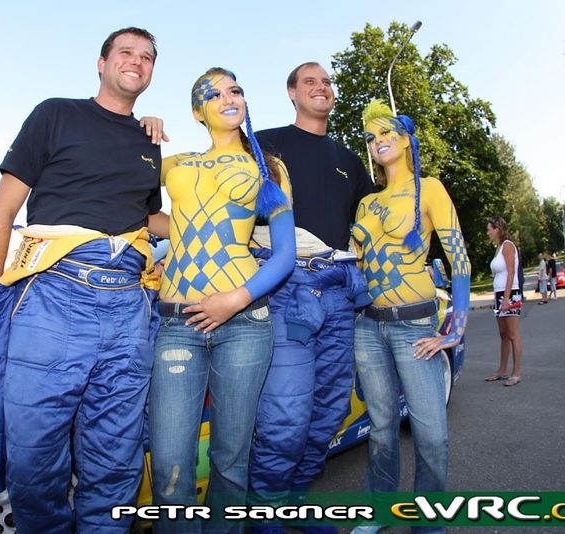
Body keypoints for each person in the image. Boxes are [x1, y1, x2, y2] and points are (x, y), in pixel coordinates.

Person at [0, 27, 167, 534]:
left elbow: (148, 219)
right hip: (54, 298)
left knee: (117, 459)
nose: (136, 62)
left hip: (128, 306)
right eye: (126, 52)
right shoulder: (54, 114)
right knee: (33, 461)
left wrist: (226, 223)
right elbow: (3, 213)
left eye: (147, 57)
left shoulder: (148, 142)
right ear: (102, 63)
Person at [148, 67, 296, 533]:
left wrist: (234, 300)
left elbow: (285, 254)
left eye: (234, 90)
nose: (227, 98)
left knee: (231, 459)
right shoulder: (176, 164)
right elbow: (126, 191)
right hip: (178, 324)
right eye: (212, 94)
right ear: (198, 111)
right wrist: (140, 131)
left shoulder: (268, 167)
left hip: (245, 323)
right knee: (170, 463)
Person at [245, 62, 373, 533]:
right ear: (292, 94)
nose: (321, 87)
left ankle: (293, 502)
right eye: (310, 82)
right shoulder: (264, 144)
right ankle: (264, 513)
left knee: (330, 408)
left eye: (326, 81)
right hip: (286, 291)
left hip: (339, 294)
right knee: (287, 412)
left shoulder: (349, 160)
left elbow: (370, 225)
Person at [351, 100, 470, 534]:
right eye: (371, 137)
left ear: (404, 138)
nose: (378, 141)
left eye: (386, 133)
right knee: (380, 429)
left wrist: (455, 330)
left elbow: (461, 263)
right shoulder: (366, 203)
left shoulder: (429, 189)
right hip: (368, 327)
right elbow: (356, 266)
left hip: (414, 326)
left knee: (431, 433)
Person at [485, 216, 522, 387]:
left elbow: (511, 272)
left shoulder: (507, 245)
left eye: (490, 229)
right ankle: (502, 370)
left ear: (498, 229)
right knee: (503, 334)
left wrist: (506, 298)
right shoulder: (498, 247)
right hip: (499, 294)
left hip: (510, 293)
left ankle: (516, 373)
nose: (488, 232)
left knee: (513, 334)